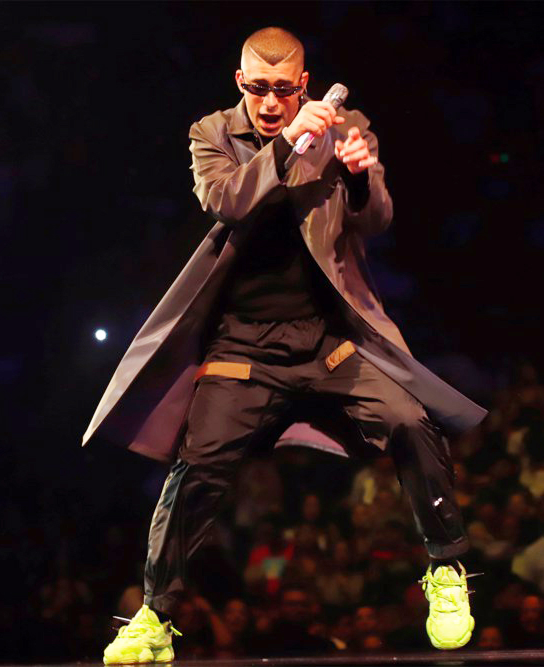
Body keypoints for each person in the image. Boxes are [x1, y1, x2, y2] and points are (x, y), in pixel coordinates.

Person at [95, 27, 486, 664]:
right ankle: (156, 616)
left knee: (411, 422)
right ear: (239, 83)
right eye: (258, 89)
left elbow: (377, 219)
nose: (271, 102)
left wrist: (359, 177)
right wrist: (285, 144)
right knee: (197, 468)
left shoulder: (345, 125)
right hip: (243, 348)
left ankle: (446, 569)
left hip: (328, 343)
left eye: (283, 89)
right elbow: (225, 201)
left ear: (304, 84)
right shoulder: (212, 133)